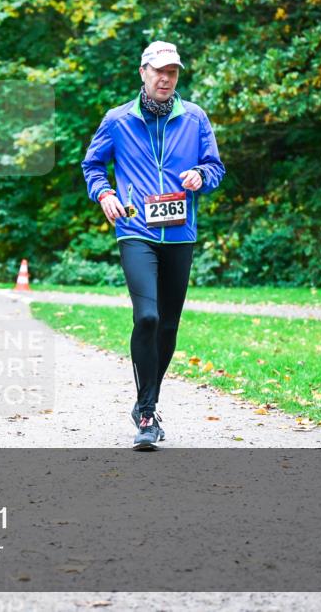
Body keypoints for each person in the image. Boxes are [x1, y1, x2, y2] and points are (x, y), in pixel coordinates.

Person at [80, 41, 225, 450]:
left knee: (168, 326)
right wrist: (104, 194)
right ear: (143, 72)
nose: (166, 78)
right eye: (159, 71)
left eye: (172, 72)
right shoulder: (118, 119)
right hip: (135, 228)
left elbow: (215, 167)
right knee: (147, 317)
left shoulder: (194, 118)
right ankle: (146, 414)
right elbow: (93, 165)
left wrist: (201, 175)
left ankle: (148, 401)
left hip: (180, 233)